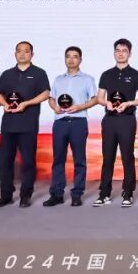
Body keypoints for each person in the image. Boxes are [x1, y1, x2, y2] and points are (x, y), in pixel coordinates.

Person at [0, 41, 51, 208]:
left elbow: (46, 93)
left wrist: (26, 103)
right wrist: (4, 104)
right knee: (5, 161)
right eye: (19, 51)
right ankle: (6, 195)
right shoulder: (7, 74)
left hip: (28, 124)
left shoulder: (39, 73)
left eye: (26, 51)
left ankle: (26, 195)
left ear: (32, 54)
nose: (22, 54)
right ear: (15, 54)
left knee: (28, 162)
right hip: (8, 125)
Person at [95, 38, 138, 207]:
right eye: (118, 50)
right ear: (114, 53)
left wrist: (129, 103)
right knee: (107, 157)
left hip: (127, 120)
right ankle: (104, 194)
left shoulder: (136, 75)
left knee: (127, 156)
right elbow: (99, 97)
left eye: (124, 51)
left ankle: (128, 192)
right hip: (109, 120)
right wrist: (106, 103)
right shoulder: (106, 75)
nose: (120, 53)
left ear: (130, 54)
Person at [44, 46, 98, 207]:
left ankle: (77, 194)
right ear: (65, 59)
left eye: (75, 56)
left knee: (79, 160)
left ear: (80, 59)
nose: (71, 59)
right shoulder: (58, 79)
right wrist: (54, 107)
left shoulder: (88, 79)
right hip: (60, 122)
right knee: (58, 159)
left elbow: (95, 99)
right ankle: (57, 194)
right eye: (68, 56)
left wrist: (80, 107)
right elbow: (51, 98)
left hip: (78, 122)